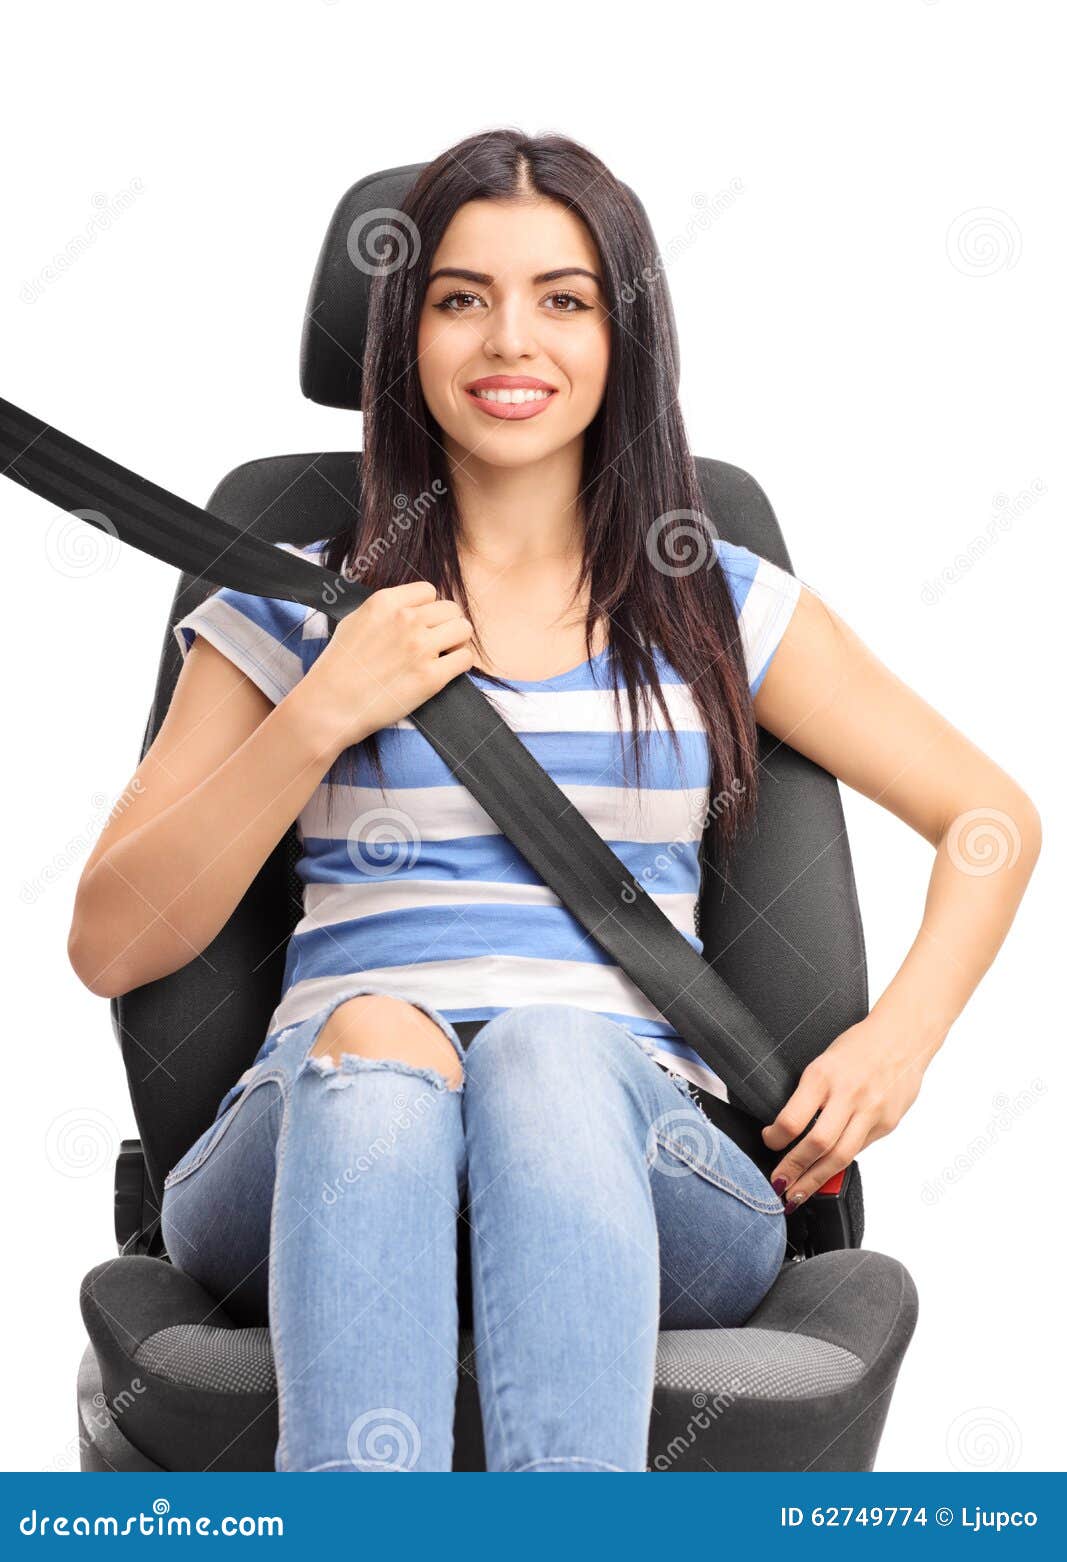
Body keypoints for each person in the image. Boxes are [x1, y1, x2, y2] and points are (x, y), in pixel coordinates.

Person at [68, 128, 1042, 1472]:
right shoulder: (287, 600)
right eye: (461, 298)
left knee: (544, 1051)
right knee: (380, 1037)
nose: (507, 339)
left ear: (622, 336)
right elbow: (111, 943)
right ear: (402, 338)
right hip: (319, 1141)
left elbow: (990, 820)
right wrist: (324, 709)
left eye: (563, 299)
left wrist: (899, 1044)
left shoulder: (717, 595)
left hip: (636, 1151)